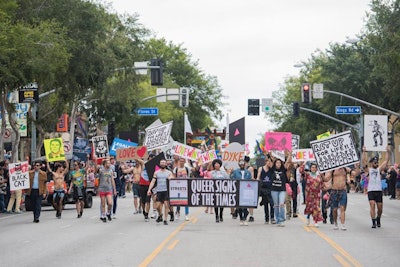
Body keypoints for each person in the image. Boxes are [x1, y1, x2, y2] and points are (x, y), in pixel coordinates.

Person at [362, 146, 390, 228]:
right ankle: (373, 222)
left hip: (378, 191)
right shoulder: (369, 170)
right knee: (372, 204)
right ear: (371, 163)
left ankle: (378, 218)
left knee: (380, 208)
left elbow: (386, 161)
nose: (376, 163)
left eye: (377, 162)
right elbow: (363, 162)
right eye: (374, 162)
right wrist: (364, 152)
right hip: (371, 190)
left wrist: (387, 151)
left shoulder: (379, 169)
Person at [147, 159, 174, 225]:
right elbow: (153, 181)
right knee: (157, 206)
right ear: (160, 164)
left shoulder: (169, 172)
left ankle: (165, 220)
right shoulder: (156, 172)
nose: (162, 164)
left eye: (164, 163)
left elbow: (172, 177)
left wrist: (170, 178)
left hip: (166, 191)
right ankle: (160, 215)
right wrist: (149, 189)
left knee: (166, 205)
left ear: (166, 164)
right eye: (161, 163)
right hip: (159, 190)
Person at [270, 152, 293, 227]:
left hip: (282, 190)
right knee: (276, 205)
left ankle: (282, 219)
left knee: (281, 204)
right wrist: (270, 153)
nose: (278, 164)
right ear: (275, 164)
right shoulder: (272, 169)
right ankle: (277, 220)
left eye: (280, 163)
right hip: (274, 189)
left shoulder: (283, 169)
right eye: (277, 163)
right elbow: (271, 159)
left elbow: (287, 162)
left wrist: (290, 154)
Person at [230, 159, 252, 226]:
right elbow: (231, 179)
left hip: (246, 190)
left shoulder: (248, 172)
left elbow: (250, 180)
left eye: (243, 163)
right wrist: (231, 173)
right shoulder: (236, 171)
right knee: (239, 205)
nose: (242, 164)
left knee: (245, 205)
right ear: (239, 164)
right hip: (238, 190)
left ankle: (245, 218)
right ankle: (241, 218)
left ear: (244, 164)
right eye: (240, 163)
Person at [96, 158, 117, 222]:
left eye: (109, 163)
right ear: (104, 164)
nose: (109, 164)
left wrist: (114, 189)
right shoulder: (101, 170)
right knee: (103, 203)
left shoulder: (110, 171)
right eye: (108, 163)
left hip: (109, 189)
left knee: (110, 203)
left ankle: (108, 213)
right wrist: (96, 164)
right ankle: (103, 215)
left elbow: (112, 180)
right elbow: (96, 171)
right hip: (102, 189)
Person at [302, 162, 323, 227]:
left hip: (317, 195)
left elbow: (322, 184)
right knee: (309, 207)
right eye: (312, 167)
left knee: (316, 207)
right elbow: (301, 171)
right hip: (309, 194)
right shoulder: (308, 175)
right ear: (310, 168)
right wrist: (303, 164)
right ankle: (308, 218)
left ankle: (316, 221)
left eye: (315, 167)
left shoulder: (319, 175)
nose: (313, 169)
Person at [257, 156, 275, 224]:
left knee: (272, 203)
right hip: (263, 188)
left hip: (270, 188)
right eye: (268, 162)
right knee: (265, 204)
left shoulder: (271, 169)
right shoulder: (261, 168)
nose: (269, 163)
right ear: (266, 162)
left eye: (270, 162)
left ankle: (272, 217)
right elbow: (258, 177)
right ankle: (266, 218)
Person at [210, 159, 229, 223]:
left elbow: (228, 179)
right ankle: (216, 216)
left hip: (222, 190)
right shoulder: (212, 172)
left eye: (218, 163)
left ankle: (221, 214)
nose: (217, 165)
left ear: (220, 165)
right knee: (216, 203)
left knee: (221, 203)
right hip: (215, 189)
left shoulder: (223, 172)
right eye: (215, 163)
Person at [173, 157, 191, 221]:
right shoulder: (176, 168)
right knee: (178, 201)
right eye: (180, 161)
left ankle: (186, 214)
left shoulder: (187, 168)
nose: (181, 162)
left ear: (184, 162)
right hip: (178, 187)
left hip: (185, 186)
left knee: (186, 201)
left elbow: (188, 176)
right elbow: (174, 177)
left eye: (183, 161)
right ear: (179, 162)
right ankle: (178, 213)